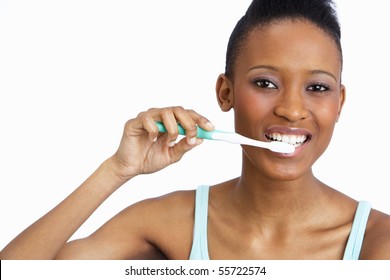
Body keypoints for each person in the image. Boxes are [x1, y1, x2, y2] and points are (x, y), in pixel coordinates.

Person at [1, 0, 390, 260]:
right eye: (266, 83)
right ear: (226, 92)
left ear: (339, 103)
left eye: (317, 88)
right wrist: (116, 170)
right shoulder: (170, 224)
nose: (291, 109)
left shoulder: (377, 242)